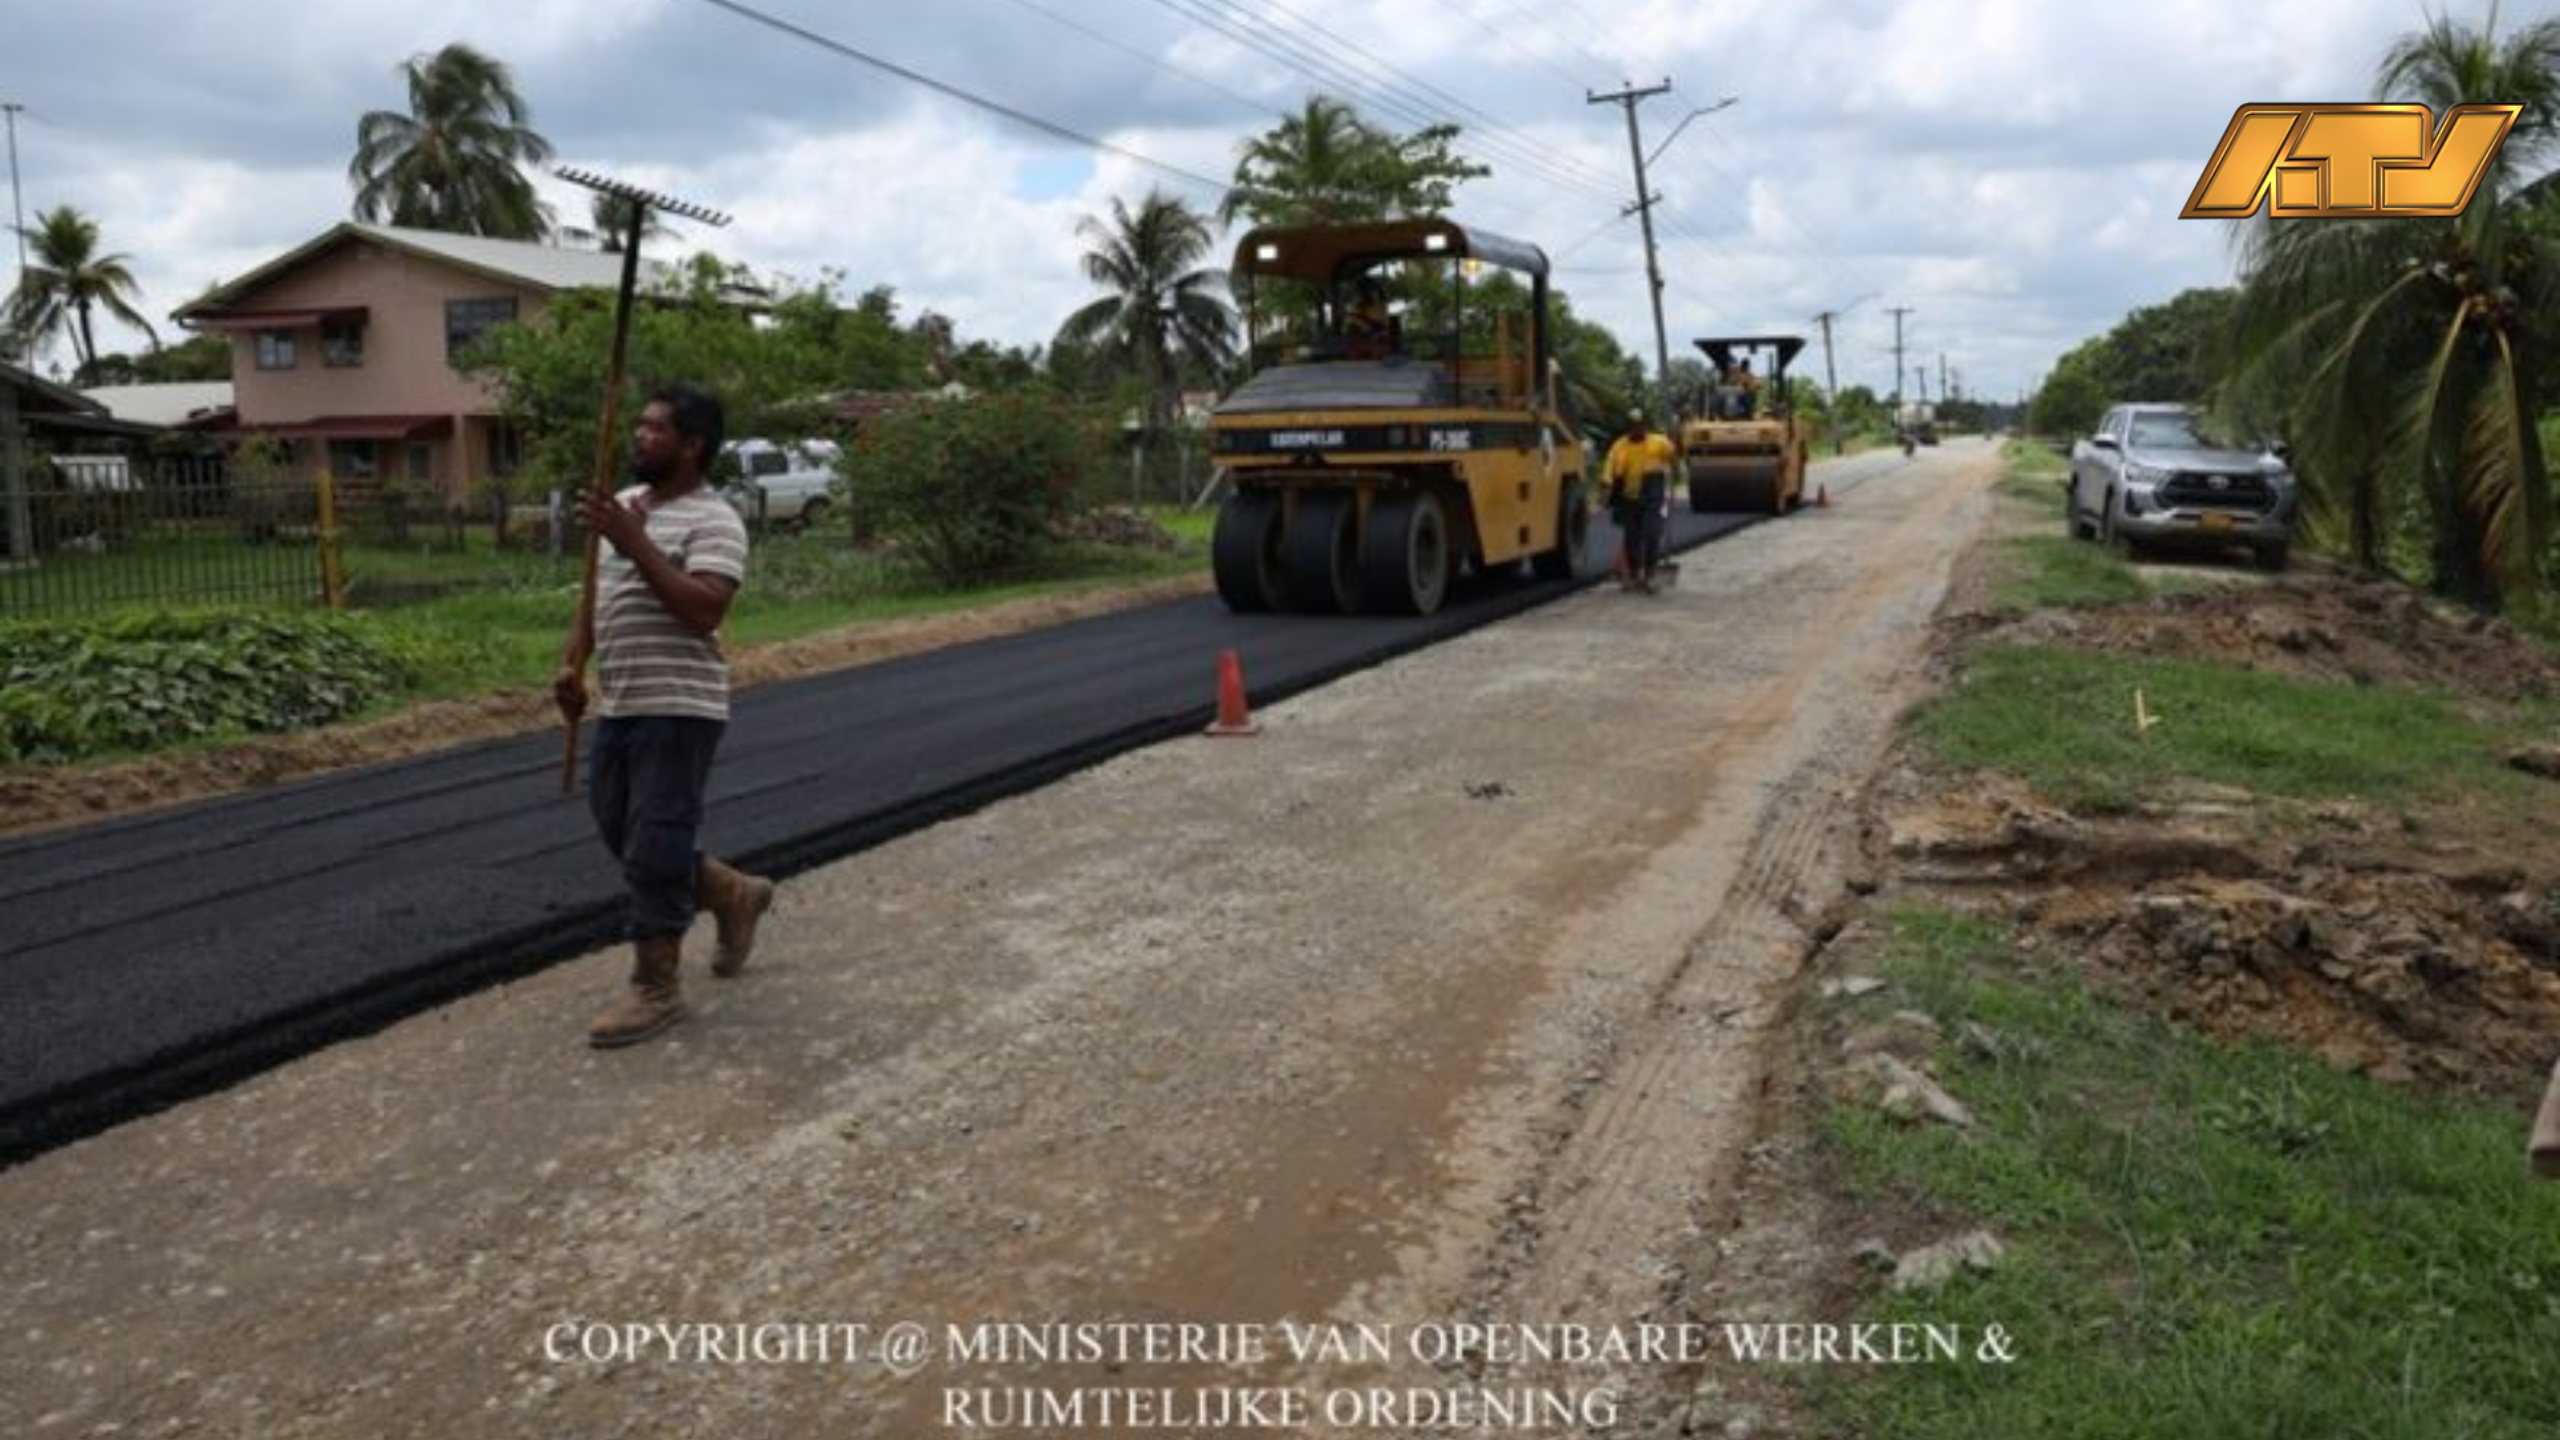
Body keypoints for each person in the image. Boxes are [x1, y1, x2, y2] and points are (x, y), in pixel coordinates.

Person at [555, 383, 775, 1048]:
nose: (639, 436)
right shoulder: (623, 506)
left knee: (655, 844)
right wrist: (573, 664)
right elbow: (597, 598)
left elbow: (703, 609)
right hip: (622, 700)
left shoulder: (716, 520)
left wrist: (636, 544)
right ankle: (732, 893)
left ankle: (656, 987)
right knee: (621, 829)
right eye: (639, 425)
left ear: (692, 445)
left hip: (681, 703)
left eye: (655, 429)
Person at [1603, 409, 1679, 593]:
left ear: (1646, 426)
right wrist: (1605, 493)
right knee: (1631, 538)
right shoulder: (1619, 447)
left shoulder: (1659, 442)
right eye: (1633, 426)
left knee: (1652, 533)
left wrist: (1675, 470)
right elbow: (1608, 474)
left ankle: (1650, 574)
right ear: (1628, 427)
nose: (1637, 429)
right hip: (1629, 496)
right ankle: (1634, 573)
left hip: (1653, 494)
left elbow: (1674, 456)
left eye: (1640, 426)